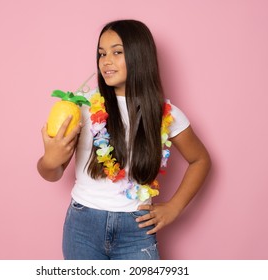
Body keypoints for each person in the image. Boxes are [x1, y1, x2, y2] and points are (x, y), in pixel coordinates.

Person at [37, 19, 211, 260]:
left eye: (117, 52)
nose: (105, 61)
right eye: (101, 53)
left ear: (140, 56)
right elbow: (51, 172)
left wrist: (174, 207)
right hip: (82, 227)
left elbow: (200, 159)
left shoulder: (164, 114)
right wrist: (49, 160)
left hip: (137, 229)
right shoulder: (83, 106)